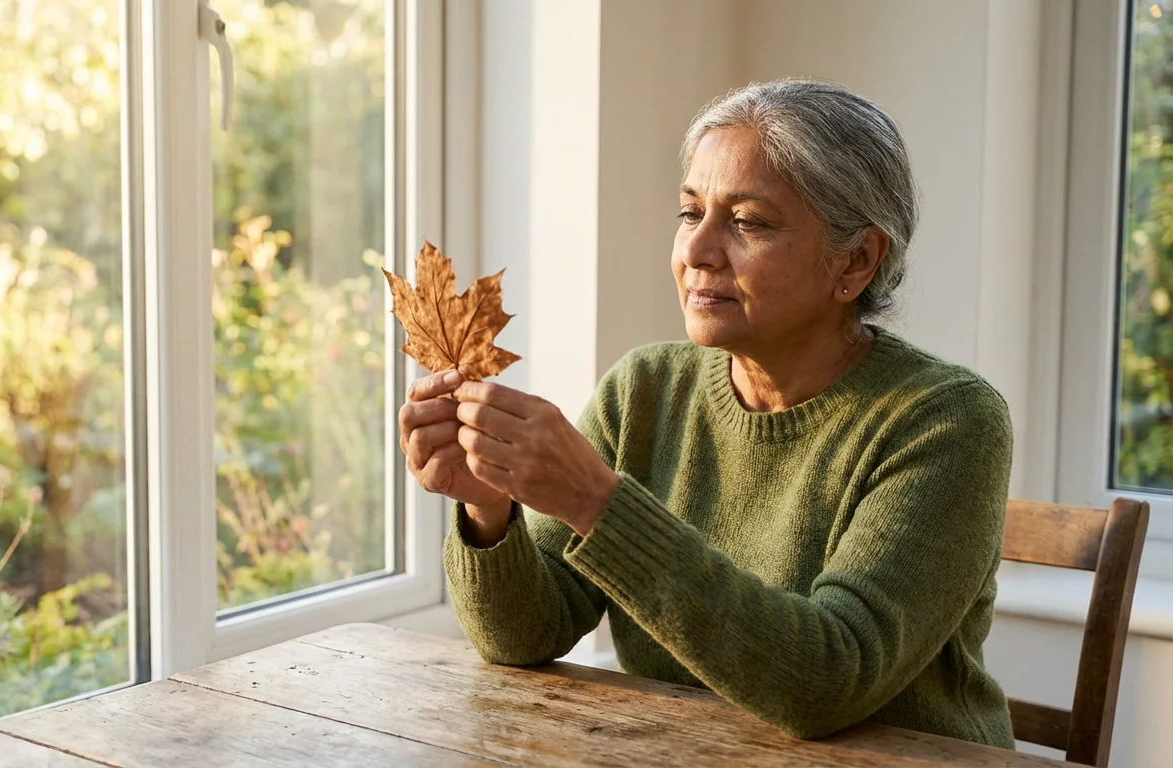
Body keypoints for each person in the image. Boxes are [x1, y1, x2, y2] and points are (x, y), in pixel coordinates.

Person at [397, 79, 1014, 748]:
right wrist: (490, 513)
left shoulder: (949, 421)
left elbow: (827, 683)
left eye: (747, 222)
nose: (697, 251)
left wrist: (597, 503)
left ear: (856, 261)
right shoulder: (644, 389)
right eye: (691, 213)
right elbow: (524, 636)